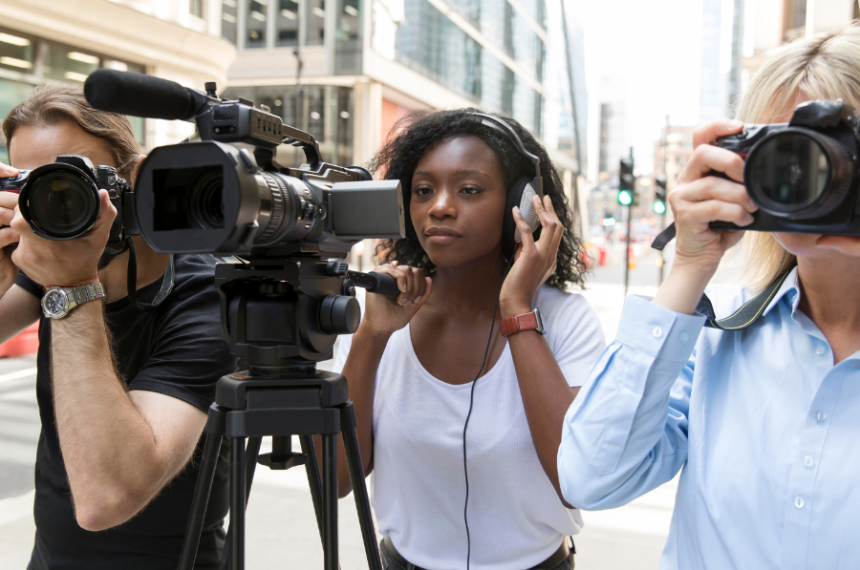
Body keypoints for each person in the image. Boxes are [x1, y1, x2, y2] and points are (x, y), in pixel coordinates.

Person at [557, 23, 860, 570]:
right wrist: (691, 267)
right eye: (779, 148)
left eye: (830, 153)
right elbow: (590, 478)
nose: (797, 174)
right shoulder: (718, 339)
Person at [330, 109, 605, 570]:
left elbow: (573, 479)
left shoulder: (565, 320)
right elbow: (335, 479)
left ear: (522, 204)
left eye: (469, 189)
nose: (440, 206)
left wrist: (518, 308)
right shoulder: (378, 316)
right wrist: (371, 337)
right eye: (422, 190)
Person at [0, 82, 235, 569]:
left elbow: (108, 497)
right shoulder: (44, 260)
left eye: (73, 178)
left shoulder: (206, 293)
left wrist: (72, 287)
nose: (54, 202)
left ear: (134, 176)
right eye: (32, 186)